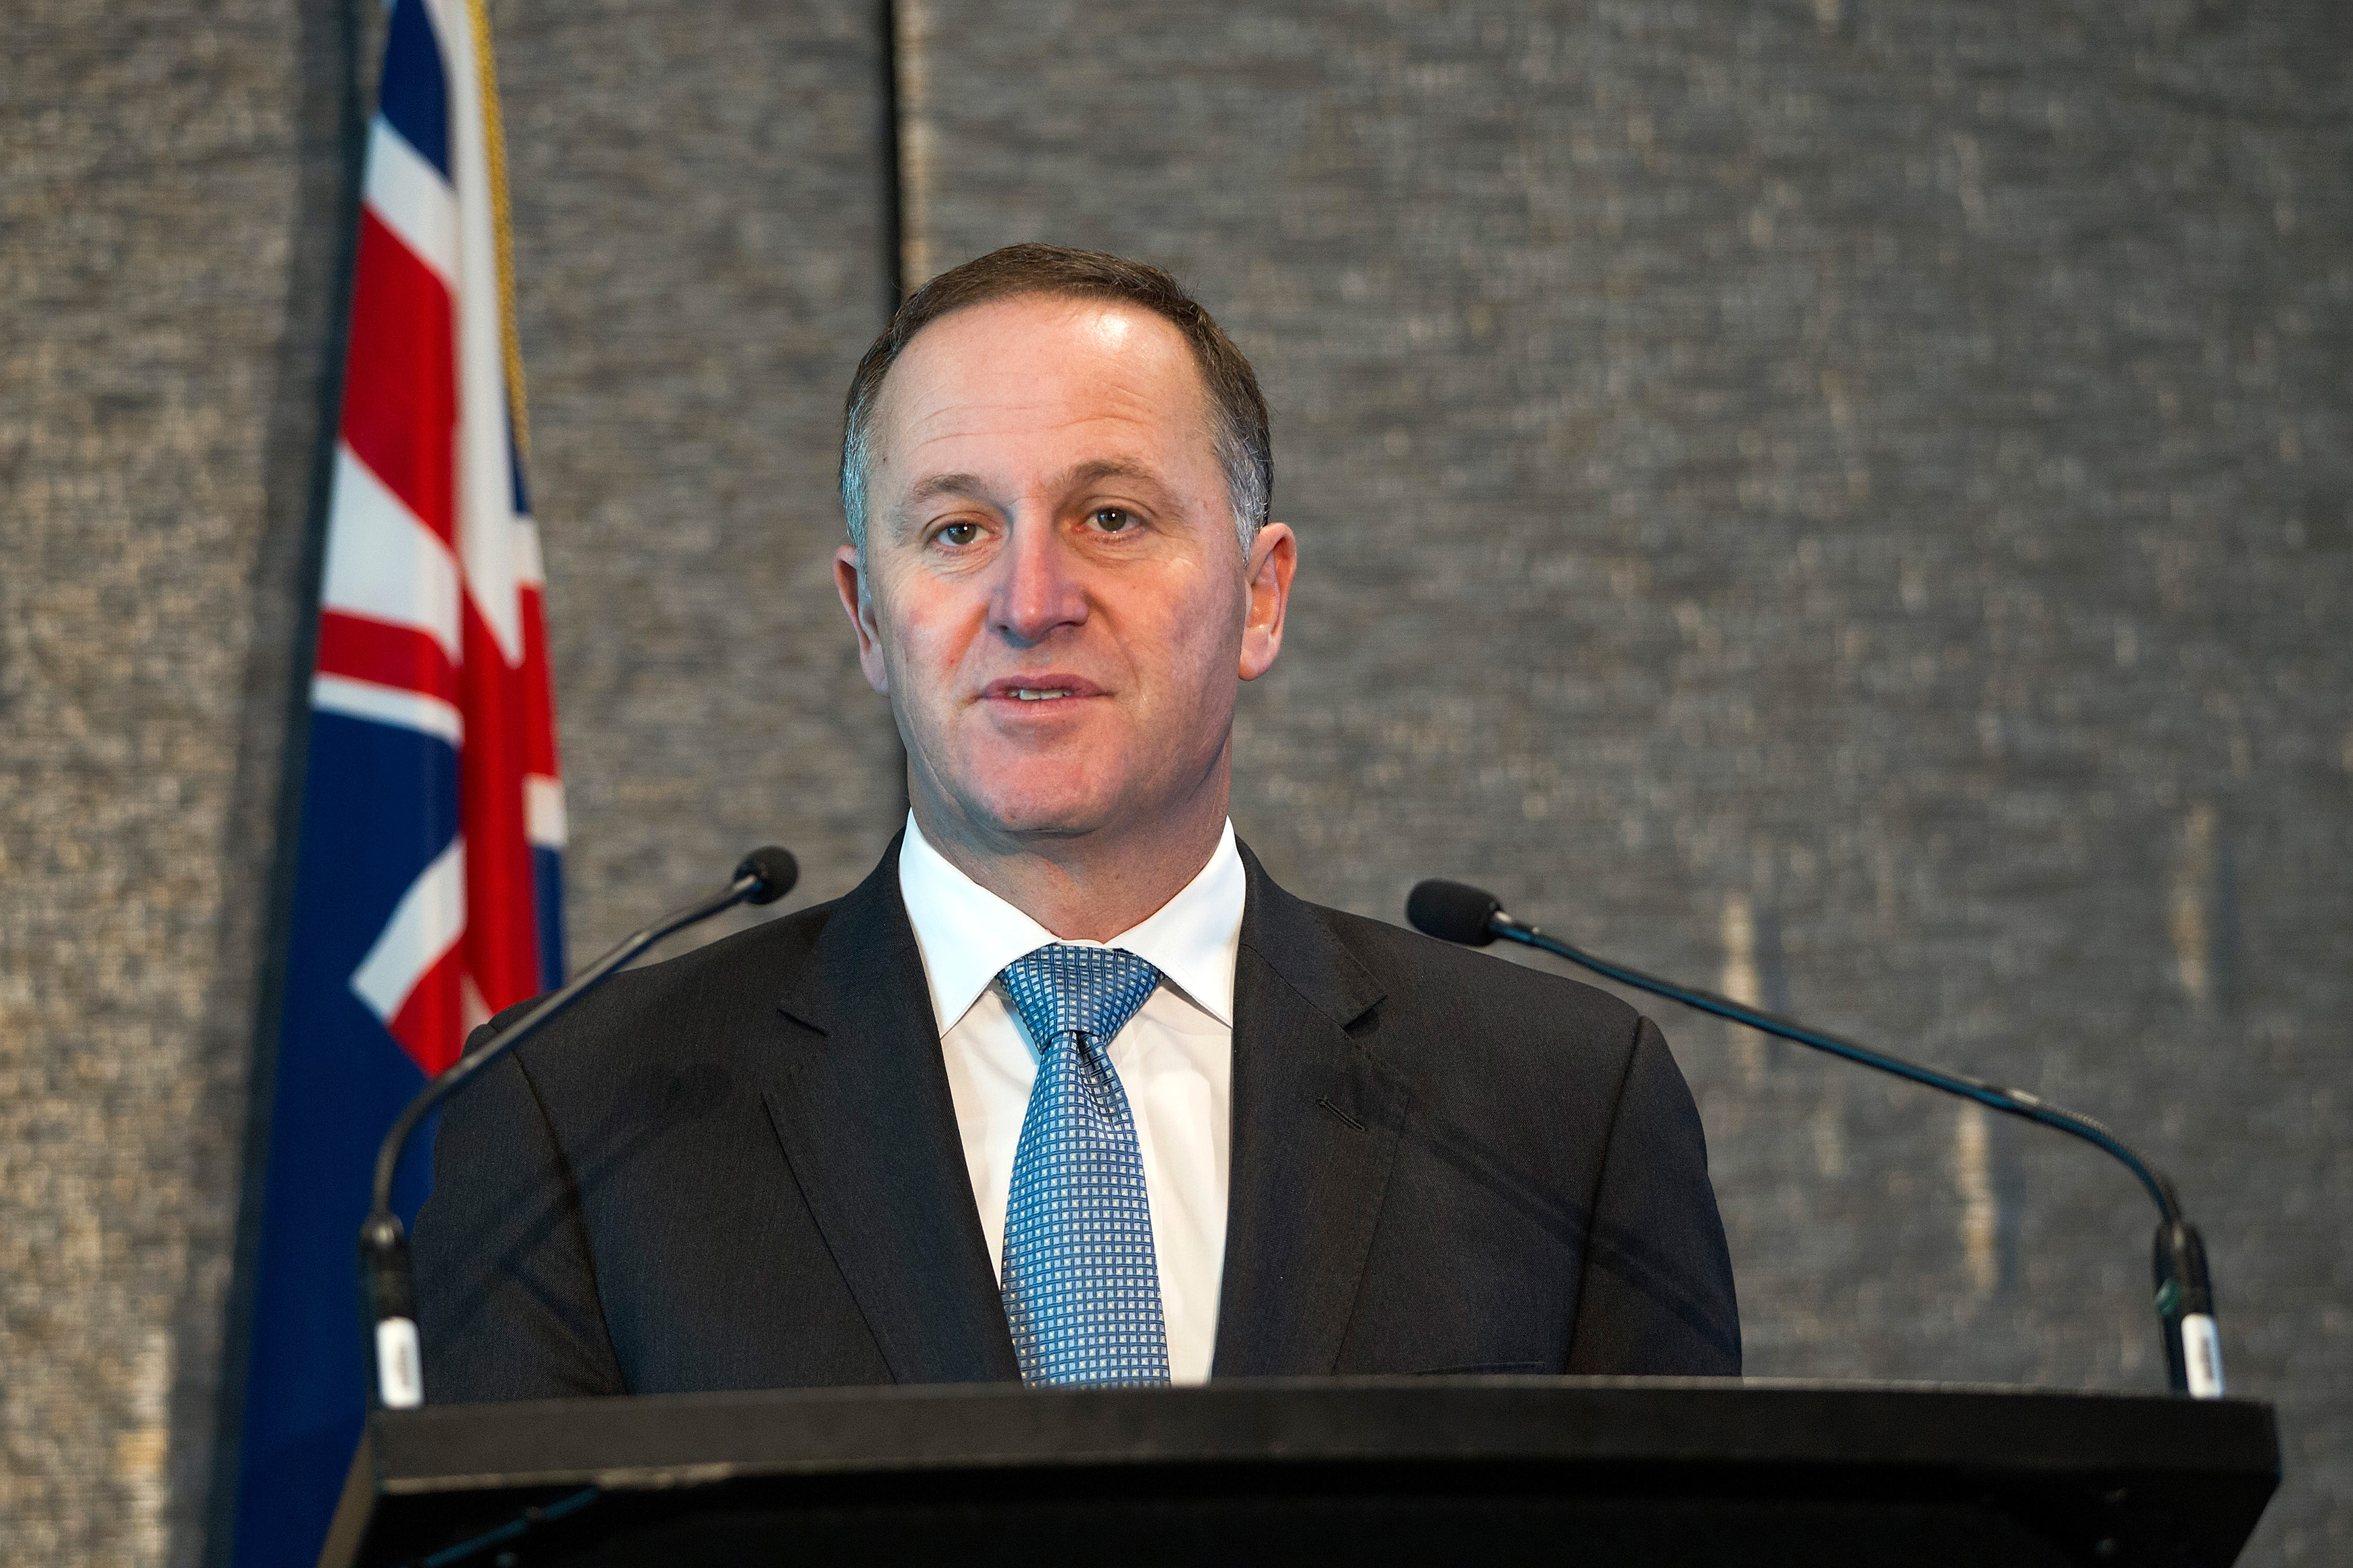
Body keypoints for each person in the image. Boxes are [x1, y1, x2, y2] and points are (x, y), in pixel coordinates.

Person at [413, 243, 1739, 1397]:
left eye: (1110, 517)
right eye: (954, 530)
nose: (1032, 598)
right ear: (867, 617)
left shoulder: (1561, 1106)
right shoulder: (576, 1114)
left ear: (1261, 596)